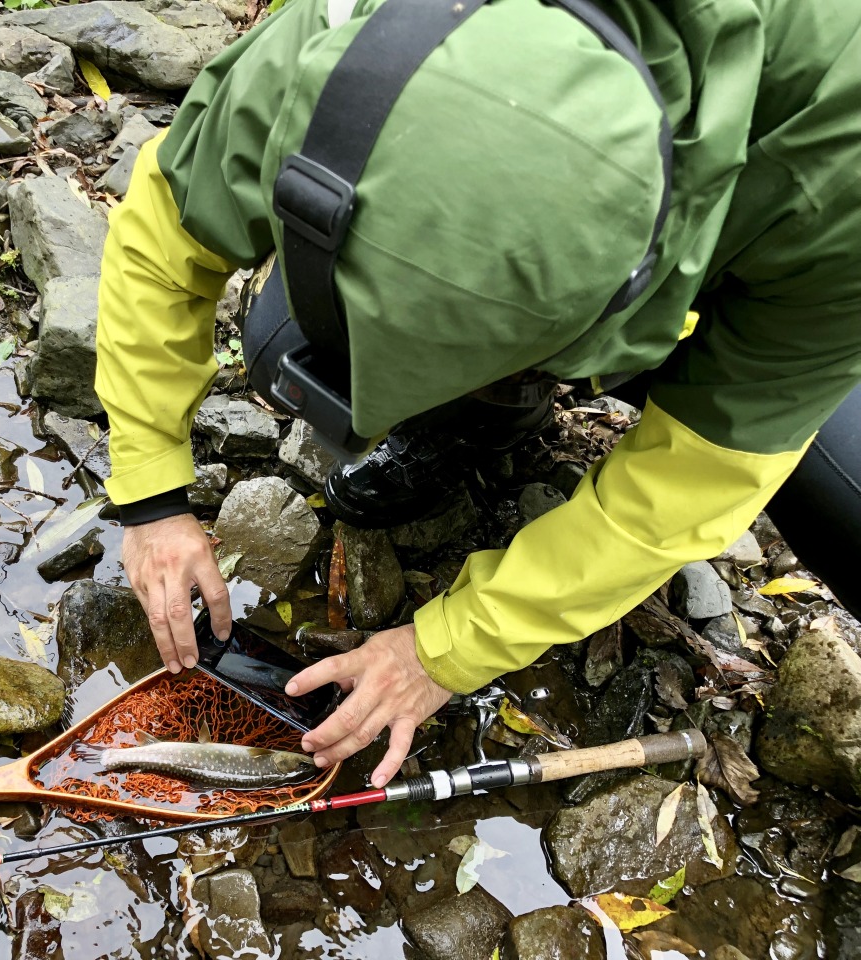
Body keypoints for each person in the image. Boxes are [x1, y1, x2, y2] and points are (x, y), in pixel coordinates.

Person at [93, 0, 861, 790]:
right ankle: (481, 414)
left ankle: (512, 388)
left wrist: (447, 649)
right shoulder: (346, 45)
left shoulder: (839, 170)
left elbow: (691, 483)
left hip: (769, 290)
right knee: (283, 349)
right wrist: (151, 491)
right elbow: (168, 226)